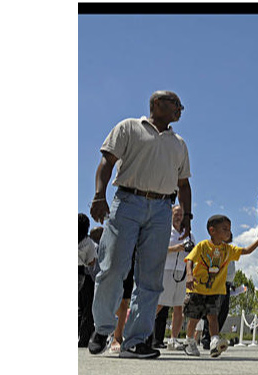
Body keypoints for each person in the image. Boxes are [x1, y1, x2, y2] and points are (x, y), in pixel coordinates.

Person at [87, 90, 192, 359]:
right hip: (127, 202)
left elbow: (183, 184)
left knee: (151, 277)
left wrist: (187, 218)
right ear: (157, 104)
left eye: (181, 105)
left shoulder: (178, 143)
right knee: (112, 267)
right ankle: (102, 327)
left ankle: (136, 340)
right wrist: (99, 195)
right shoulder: (129, 127)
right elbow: (106, 162)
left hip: (161, 209)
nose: (180, 108)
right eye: (175, 104)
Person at [182, 215, 258, 357]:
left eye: (229, 229)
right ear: (212, 230)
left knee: (213, 317)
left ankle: (214, 341)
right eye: (224, 229)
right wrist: (189, 274)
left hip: (215, 291)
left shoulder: (228, 249)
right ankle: (189, 341)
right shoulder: (202, 246)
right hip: (198, 289)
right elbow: (189, 259)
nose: (228, 232)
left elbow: (246, 251)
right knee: (194, 318)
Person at [202, 231, 258, 349]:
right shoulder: (214, 248)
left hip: (227, 284)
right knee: (213, 311)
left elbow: (244, 253)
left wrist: (232, 284)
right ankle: (207, 337)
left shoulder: (230, 250)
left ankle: (215, 336)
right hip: (217, 283)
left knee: (223, 310)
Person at [154, 205, 195, 350]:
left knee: (179, 307)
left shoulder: (188, 234)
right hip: (167, 269)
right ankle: (143, 333)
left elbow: (193, 254)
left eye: (181, 214)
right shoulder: (165, 231)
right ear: (171, 215)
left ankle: (173, 339)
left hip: (182, 271)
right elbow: (158, 250)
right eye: (176, 214)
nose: (179, 217)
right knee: (159, 304)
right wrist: (176, 248)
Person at [79, 214, 98, 347]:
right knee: (87, 308)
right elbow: (91, 262)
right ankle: (84, 338)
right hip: (81, 274)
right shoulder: (88, 242)